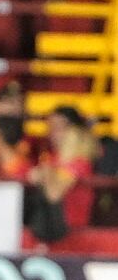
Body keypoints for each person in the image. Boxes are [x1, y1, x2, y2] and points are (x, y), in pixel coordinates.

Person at [24, 105, 99, 248]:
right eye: (51, 126)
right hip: (45, 230)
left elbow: (54, 194)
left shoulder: (80, 162)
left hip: (73, 235)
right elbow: (30, 175)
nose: (53, 132)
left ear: (75, 132)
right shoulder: (52, 159)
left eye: (59, 127)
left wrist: (45, 172)